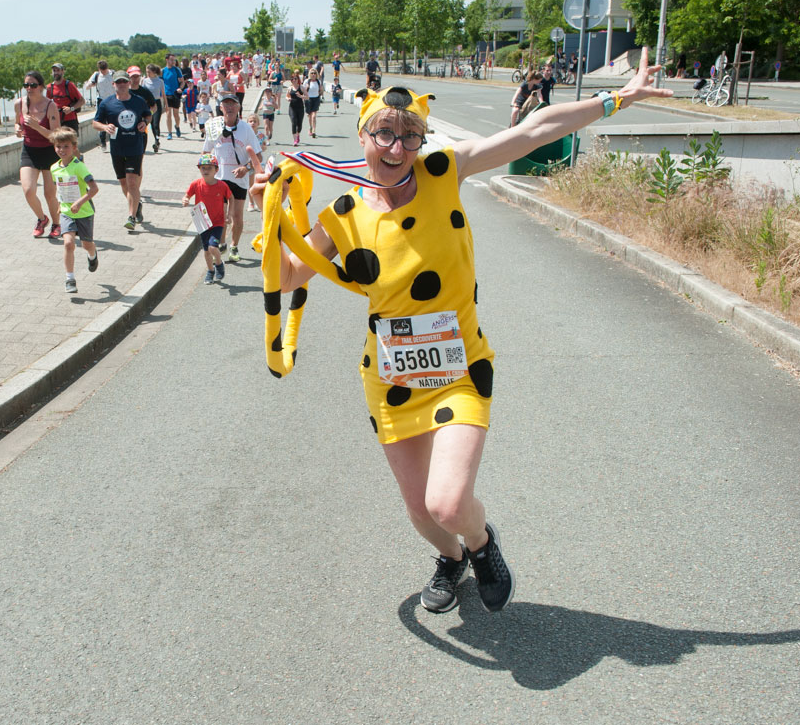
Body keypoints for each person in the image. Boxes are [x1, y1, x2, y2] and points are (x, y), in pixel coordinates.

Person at [253, 49, 672, 616]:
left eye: (409, 135)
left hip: (459, 368)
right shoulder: (343, 213)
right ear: (363, 137)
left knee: (448, 502)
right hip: (391, 376)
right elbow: (287, 276)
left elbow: (535, 128)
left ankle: (480, 544)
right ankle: (450, 559)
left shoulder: (443, 172)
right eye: (384, 134)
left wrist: (618, 96)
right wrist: (269, 215)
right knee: (422, 514)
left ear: (422, 140)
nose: (397, 149)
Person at [202, 95, 261, 263]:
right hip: (219, 178)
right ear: (221, 108)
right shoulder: (214, 127)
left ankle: (234, 246)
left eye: (232, 104)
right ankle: (222, 243)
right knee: (220, 215)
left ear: (238, 107)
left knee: (237, 216)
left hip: (239, 180)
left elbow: (258, 156)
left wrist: (246, 168)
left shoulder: (246, 129)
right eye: (225, 104)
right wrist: (205, 172)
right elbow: (205, 152)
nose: (229, 107)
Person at [91, 70, 151, 232]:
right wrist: (105, 126)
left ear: (129, 83)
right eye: (119, 82)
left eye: (125, 81)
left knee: (132, 182)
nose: (122, 84)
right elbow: (95, 122)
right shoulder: (107, 103)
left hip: (135, 147)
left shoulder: (138, 101)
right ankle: (136, 204)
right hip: (117, 148)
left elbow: (148, 115)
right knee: (123, 183)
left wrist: (144, 122)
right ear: (113, 85)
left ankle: (131, 216)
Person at [49, 128, 99, 294]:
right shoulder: (54, 168)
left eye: (66, 146)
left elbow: (93, 189)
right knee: (69, 243)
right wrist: (59, 205)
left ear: (74, 147)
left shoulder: (79, 167)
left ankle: (93, 256)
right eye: (58, 146)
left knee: (86, 245)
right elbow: (59, 188)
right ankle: (70, 279)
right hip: (66, 212)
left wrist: (79, 202)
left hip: (84, 211)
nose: (62, 150)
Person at [14, 70, 62, 238]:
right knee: (28, 190)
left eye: (33, 85)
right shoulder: (19, 104)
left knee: (50, 194)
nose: (29, 88)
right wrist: (18, 129)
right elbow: (16, 123)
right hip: (29, 150)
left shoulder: (50, 106)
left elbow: (56, 136)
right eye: (26, 85)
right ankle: (42, 218)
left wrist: (36, 126)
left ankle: (57, 224)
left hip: (50, 152)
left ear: (41, 86)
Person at [183, 152, 231, 284]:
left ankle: (219, 264)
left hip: (217, 222)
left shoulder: (222, 186)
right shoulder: (196, 184)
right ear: (199, 169)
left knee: (212, 247)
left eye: (209, 168)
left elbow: (230, 198)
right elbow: (187, 195)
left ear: (216, 170)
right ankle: (210, 271)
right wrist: (185, 199)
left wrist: (229, 214)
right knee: (206, 250)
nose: (206, 170)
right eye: (203, 167)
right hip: (202, 222)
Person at [86, 60, 117, 151]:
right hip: (102, 101)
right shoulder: (96, 75)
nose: (103, 72)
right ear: (99, 69)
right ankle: (103, 142)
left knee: (113, 121)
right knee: (101, 122)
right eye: (101, 71)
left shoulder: (113, 74)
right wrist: (91, 84)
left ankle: (114, 142)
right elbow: (87, 86)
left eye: (104, 70)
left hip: (113, 100)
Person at [131, 66, 162, 154]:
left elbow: (154, 106)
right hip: (127, 128)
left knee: (139, 158)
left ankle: (157, 140)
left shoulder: (145, 92)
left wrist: (147, 116)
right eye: (133, 76)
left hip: (141, 127)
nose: (135, 79)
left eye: (137, 76)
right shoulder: (124, 92)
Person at [46, 62, 84, 133]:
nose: (56, 73)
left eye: (58, 70)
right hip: (56, 120)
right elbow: (47, 104)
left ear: (63, 72)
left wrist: (71, 109)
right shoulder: (49, 87)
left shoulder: (69, 85)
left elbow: (82, 101)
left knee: (72, 143)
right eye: (54, 71)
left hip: (70, 120)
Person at [162, 54, 184, 139]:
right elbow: (161, 82)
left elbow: (182, 82)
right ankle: (170, 133)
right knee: (168, 114)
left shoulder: (177, 70)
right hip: (167, 94)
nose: (173, 61)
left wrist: (180, 88)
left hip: (175, 94)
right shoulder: (163, 71)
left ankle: (177, 126)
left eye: (174, 60)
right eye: (171, 60)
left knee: (176, 115)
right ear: (167, 60)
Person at [287, 73, 306, 146]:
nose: (294, 80)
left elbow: (307, 97)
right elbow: (287, 96)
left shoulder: (301, 88)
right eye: (292, 79)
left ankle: (298, 134)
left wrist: (301, 96)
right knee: (293, 122)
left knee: (299, 124)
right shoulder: (290, 88)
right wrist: (288, 98)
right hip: (292, 107)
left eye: (295, 78)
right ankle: (295, 140)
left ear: (298, 79)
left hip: (300, 108)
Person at [303, 68, 322, 138]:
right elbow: (303, 91)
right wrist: (306, 88)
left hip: (316, 99)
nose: (313, 75)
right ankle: (310, 127)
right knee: (309, 115)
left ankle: (314, 130)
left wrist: (320, 93)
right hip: (308, 99)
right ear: (309, 74)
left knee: (314, 116)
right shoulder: (306, 81)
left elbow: (321, 90)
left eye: (314, 73)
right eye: (312, 73)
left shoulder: (318, 81)